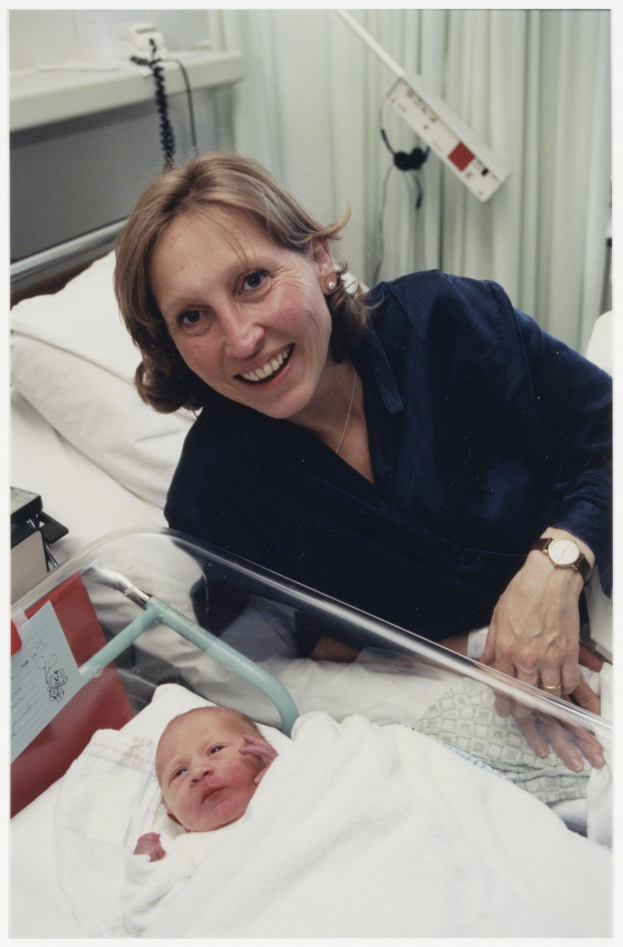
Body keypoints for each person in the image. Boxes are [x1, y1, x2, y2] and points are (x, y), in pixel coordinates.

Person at [114, 152, 611, 755]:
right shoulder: (214, 495)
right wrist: (482, 647)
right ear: (170, 344)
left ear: (319, 259)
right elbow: (285, 645)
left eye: (253, 282)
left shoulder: (447, 322)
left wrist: (554, 569)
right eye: (193, 317)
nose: (242, 340)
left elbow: (604, 434)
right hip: (514, 690)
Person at [122, 707, 277, 933]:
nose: (198, 771)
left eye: (215, 750)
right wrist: (146, 869)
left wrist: (287, 770)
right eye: (179, 772)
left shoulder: (286, 787)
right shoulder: (182, 853)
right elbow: (146, 915)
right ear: (175, 817)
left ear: (262, 757)